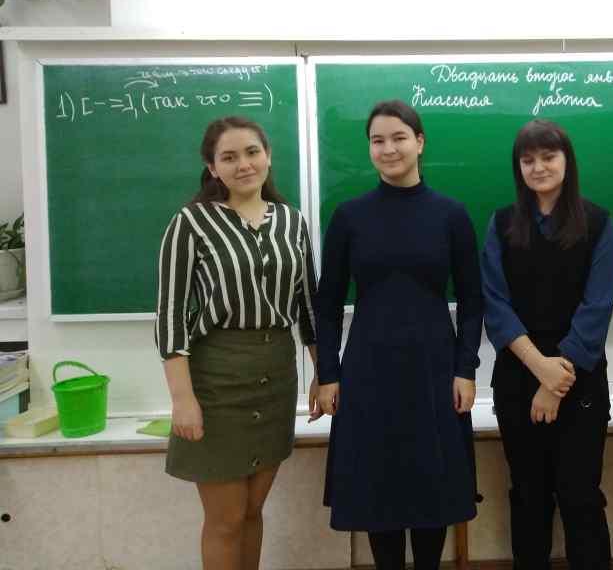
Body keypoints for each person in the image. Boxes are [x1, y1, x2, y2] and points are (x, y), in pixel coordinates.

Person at [314, 99, 483, 570]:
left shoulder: (451, 214)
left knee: (432, 491)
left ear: (419, 142)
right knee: (377, 491)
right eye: (377, 140)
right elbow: (327, 305)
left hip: (434, 369)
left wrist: (466, 369)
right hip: (367, 371)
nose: (388, 149)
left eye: (398, 138)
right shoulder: (349, 216)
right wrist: (328, 373)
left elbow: (473, 301)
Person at [156, 116, 319, 570]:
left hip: (277, 375)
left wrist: (323, 371)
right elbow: (170, 315)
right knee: (225, 519)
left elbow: (308, 305)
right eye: (228, 157)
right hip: (217, 380)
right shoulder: (191, 223)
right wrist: (182, 398)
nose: (243, 164)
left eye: (252, 152)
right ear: (212, 168)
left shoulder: (291, 221)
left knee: (252, 511)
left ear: (268, 156)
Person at [482, 118, 613, 570]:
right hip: (518, 376)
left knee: (580, 497)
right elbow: (496, 304)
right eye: (528, 160)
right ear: (518, 167)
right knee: (528, 495)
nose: (538, 167)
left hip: (580, 380)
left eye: (548, 157)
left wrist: (555, 380)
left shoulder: (598, 222)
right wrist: (540, 369)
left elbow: (597, 307)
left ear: (567, 161)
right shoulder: (502, 223)